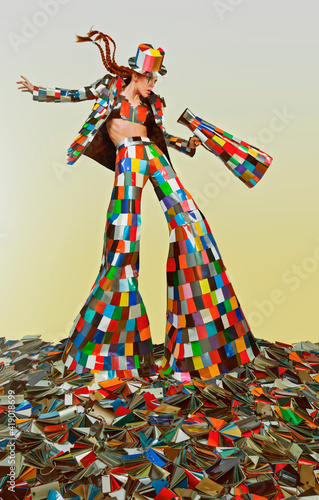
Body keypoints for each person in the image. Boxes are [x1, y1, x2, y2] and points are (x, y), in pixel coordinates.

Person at [17, 30, 259, 381]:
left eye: (157, 76)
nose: (153, 82)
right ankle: (111, 351)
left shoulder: (155, 104)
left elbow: (158, 135)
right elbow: (75, 95)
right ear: (133, 73)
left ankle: (209, 342)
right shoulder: (110, 87)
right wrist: (39, 90)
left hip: (153, 154)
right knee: (123, 243)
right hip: (128, 157)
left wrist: (189, 144)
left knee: (191, 220)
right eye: (149, 76)